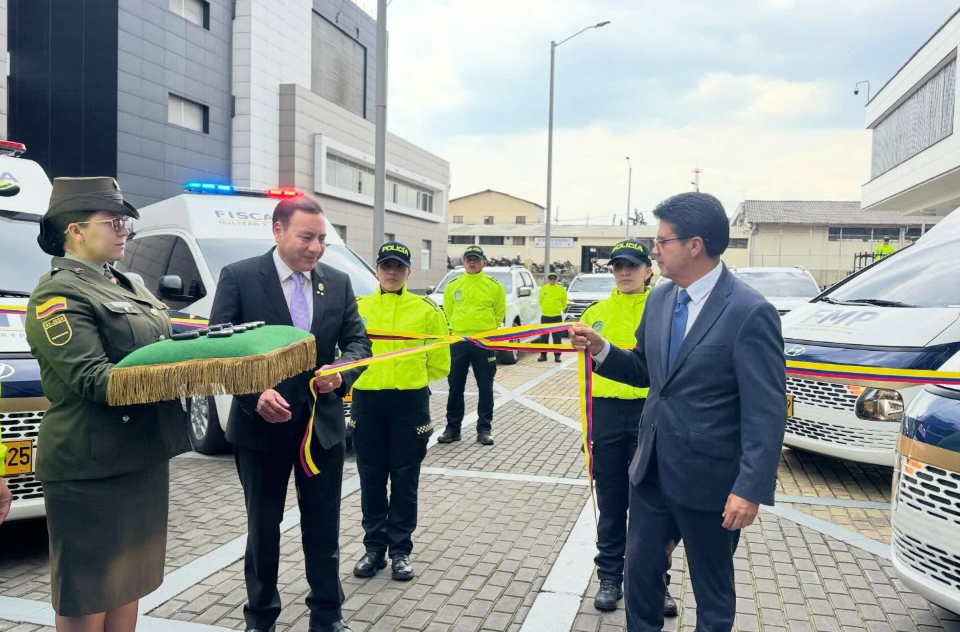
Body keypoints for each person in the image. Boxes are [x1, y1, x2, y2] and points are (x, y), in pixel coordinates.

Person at [571, 192, 786, 632]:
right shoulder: (663, 299)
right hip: (651, 471)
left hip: (712, 482)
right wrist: (602, 349)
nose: (654, 250)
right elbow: (648, 373)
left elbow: (765, 411)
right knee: (641, 575)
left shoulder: (749, 311)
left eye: (662, 241)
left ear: (694, 245)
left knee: (712, 592)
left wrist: (750, 488)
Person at [24, 177, 191, 632]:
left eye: (126, 222)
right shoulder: (57, 294)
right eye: (114, 221)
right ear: (75, 230)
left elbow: (162, 343)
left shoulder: (127, 282)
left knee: (127, 584)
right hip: (90, 468)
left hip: (141, 457)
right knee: (88, 592)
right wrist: (192, 369)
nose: (125, 231)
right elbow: (93, 379)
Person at [209, 196, 370, 632]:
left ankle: (327, 614)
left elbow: (359, 346)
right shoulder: (240, 278)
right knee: (263, 530)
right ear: (278, 231)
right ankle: (260, 617)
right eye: (307, 237)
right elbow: (219, 352)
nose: (316, 247)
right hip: (261, 429)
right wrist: (253, 394)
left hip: (322, 429)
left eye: (322, 239)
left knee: (324, 526)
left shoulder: (336, 283)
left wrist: (342, 372)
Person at [580, 239, 676, 617]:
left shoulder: (663, 307)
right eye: (618, 266)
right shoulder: (596, 311)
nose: (624, 272)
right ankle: (609, 577)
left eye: (633, 266)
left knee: (652, 502)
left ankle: (656, 583)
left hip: (647, 412)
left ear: (648, 270)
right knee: (611, 499)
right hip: (605, 413)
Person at [351, 242, 451, 582]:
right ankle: (374, 548)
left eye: (399, 266)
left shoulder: (426, 310)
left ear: (408, 271)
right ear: (377, 270)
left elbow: (440, 362)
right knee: (371, 477)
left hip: (409, 404)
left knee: (406, 479)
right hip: (368, 403)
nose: (392, 272)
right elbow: (345, 352)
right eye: (386, 266)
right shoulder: (359, 307)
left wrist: (409, 376)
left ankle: (401, 552)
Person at [438, 245, 506, 446]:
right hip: (459, 342)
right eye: (469, 259)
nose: (472, 262)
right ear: (463, 262)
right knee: (455, 387)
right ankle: (453, 428)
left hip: (483, 343)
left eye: (476, 259)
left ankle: (484, 429)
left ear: (484, 262)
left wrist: (484, 332)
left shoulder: (494, 286)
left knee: (485, 387)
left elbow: (499, 313)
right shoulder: (453, 285)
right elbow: (448, 312)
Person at [538, 271, 567, 363]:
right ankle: (543, 355)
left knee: (557, 338)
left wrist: (557, 309)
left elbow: (564, 302)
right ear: (548, 279)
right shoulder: (543, 289)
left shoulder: (561, 289)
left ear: (556, 279)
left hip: (557, 316)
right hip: (545, 316)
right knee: (544, 338)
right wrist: (547, 309)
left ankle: (557, 356)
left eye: (554, 278)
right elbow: (540, 301)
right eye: (550, 278)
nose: (552, 280)